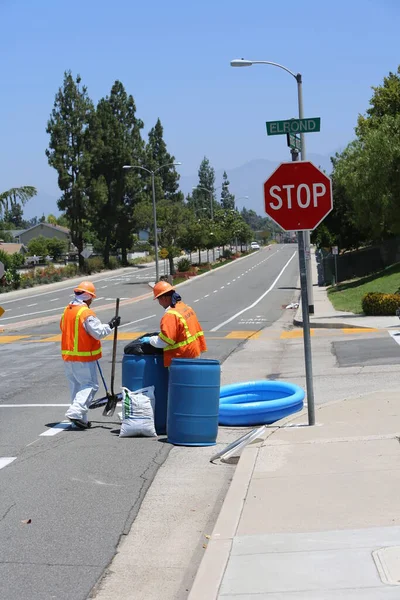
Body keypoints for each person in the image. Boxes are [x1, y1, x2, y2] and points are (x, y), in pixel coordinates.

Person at [60, 281, 121, 428]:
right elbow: (98, 332)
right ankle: (75, 412)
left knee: (77, 387)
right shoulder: (85, 313)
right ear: (87, 296)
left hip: (69, 357)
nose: (92, 300)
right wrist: (111, 325)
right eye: (91, 297)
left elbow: (65, 328)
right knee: (90, 385)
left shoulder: (67, 311)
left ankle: (80, 420)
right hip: (83, 357)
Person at [145, 281, 207, 367]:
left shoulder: (170, 315)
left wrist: (150, 340)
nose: (159, 303)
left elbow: (164, 342)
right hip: (194, 352)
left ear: (164, 298)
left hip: (181, 359)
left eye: (158, 299)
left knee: (181, 381)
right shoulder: (185, 307)